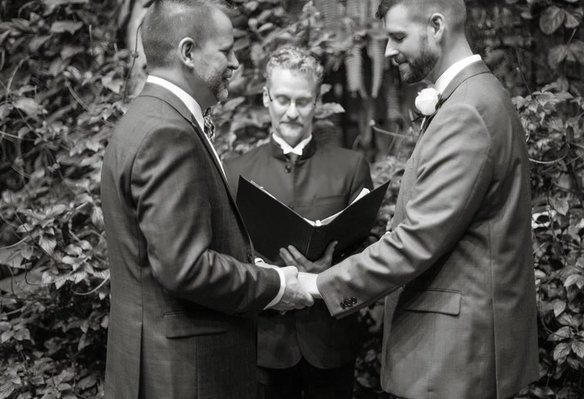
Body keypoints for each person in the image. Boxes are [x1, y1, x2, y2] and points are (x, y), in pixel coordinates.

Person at [287, 1, 540, 398]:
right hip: (457, 353)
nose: (387, 50)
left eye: (398, 36)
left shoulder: (467, 111)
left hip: (455, 358)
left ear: (436, 26)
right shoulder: (471, 98)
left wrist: (319, 284)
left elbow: (418, 239)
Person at [100, 2, 313, 398]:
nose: (235, 62)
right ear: (187, 53)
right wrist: (275, 284)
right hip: (185, 375)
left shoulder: (145, 118)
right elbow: (186, 268)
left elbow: (170, 248)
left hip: (158, 362)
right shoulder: (168, 133)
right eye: (226, 50)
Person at [225, 46, 373, 399]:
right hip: (264, 343)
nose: (292, 112)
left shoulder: (350, 167)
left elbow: (372, 250)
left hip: (331, 341)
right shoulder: (234, 172)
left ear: (317, 102)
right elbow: (226, 254)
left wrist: (331, 266)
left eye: (303, 102)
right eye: (282, 100)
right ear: (266, 98)